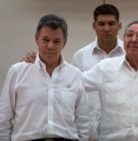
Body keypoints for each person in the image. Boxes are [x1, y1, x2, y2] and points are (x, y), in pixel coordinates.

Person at [20, 4, 125, 141]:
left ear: (119, 25)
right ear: (94, 26)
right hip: (90, 133)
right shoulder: (80, 56)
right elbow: (71, 95)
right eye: (101, 24)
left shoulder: (129, 54)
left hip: (119, 132)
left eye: (111, 23)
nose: (106, 28)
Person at [0, 14, 89, 141]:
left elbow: (83, 121)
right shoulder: (17, 71)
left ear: (65, 42)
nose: (50, 46)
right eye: (45, 40)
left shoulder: (75, 75)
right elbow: (4, 117)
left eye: (56, 41)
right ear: (37, 39)